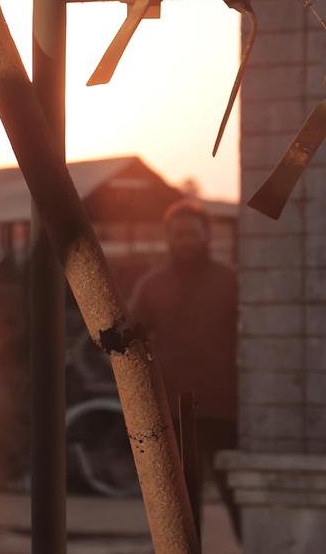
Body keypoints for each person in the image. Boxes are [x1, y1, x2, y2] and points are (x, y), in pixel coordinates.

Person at [129, 198, 240, 537]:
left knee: (238, 494)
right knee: (181, 504)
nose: (187, 241)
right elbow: (130, 341)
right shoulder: (152, 286)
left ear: (207, 236)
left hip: (224, 406)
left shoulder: (231, 282)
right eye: (180, 234)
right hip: (172, 409)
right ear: (168, 238)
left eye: (194, 233)